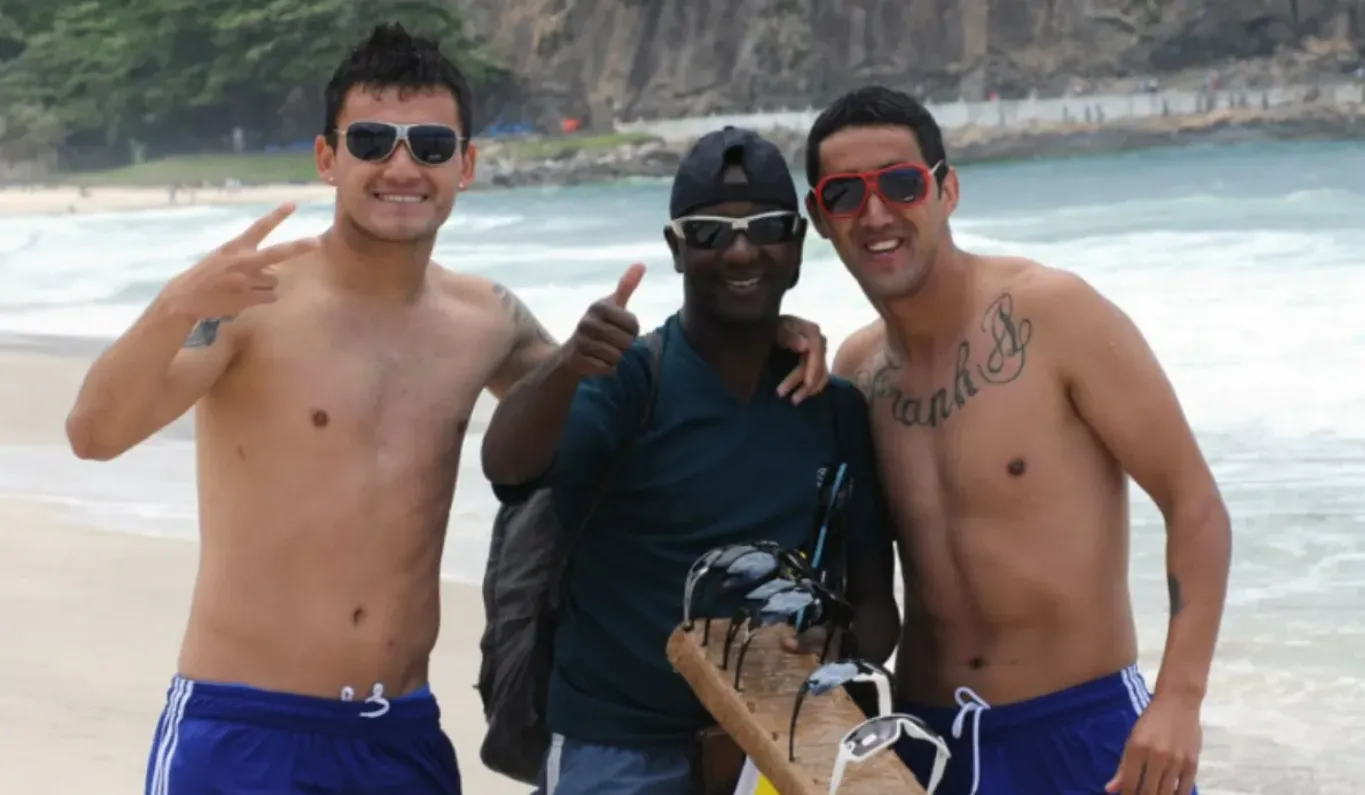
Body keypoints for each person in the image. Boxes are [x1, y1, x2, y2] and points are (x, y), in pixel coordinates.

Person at [61, 25, 832, 795]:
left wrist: (757, 333)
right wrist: (176, 305)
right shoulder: (251, 302)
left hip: (400, 732)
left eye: (429, 146)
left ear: (464, 165)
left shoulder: (484, 320)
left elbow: (625, 405)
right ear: (328, 158)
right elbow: (94, 433)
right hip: (246, 727)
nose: (401, 167)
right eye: (371, 141)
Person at [804, 86, 1232, 795]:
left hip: (1084, 731)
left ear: (946, 190)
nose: (875, 213)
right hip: (927, 740)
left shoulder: (1053, 314)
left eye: (901, 183)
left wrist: (1179, 700)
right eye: (845, 194)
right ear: (821, 218)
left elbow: (1194, 503)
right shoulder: (857, 371)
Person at [479, 126, 902, 795]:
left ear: (796, 244)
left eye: (766, 228)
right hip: (619, 745)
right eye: (709, 232)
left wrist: (834, 649)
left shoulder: (834, 409)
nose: (740, 250)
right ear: (676, 249)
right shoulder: (629, 382)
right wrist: (568, 364)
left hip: (778, 746)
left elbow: (876, 602)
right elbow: (507, 468)